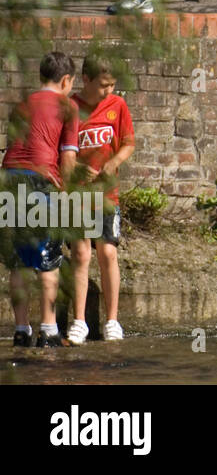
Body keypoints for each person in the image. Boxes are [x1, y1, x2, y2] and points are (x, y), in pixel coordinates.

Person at [2, 51, 79, 347]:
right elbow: (68, 157)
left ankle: (21, 330)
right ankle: (48, 329)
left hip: (9, 180)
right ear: (66, 80)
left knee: (19, 263)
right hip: (40, 181)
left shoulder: (22, 105)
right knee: (48, 260)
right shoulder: (68, 106)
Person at [66, 56, 135, 345]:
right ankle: (79, 321)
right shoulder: (71, 107)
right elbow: (65, 151)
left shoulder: (117, 106)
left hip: (107, 194)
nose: (108, 91)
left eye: (112, 85)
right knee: (81, 254)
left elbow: (128, 143)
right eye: (103, 85)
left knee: (108, 253)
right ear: (86, 80)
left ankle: (112, 320)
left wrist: (114, 161)